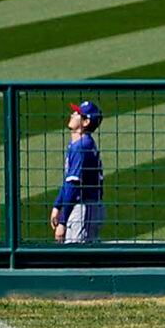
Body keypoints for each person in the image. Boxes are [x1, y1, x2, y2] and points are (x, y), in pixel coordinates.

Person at [50, 99, 104, 245]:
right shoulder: (78, 144)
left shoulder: (81, 147)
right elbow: (69, 181)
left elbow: (73, 186)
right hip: (81, 207)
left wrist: (62, 222)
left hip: (84, 209)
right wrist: (57, 205)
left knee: (79, 258)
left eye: (78, 113)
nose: (73, 114)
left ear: (85, 122)